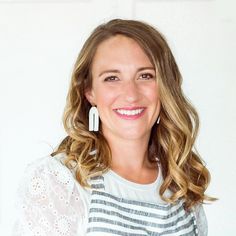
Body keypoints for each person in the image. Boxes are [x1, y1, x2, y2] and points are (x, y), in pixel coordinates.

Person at [13, 19, 215, 236]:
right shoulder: (59, 184)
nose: (131, 94)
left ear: (165, 87)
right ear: (89, 91)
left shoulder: (180, 183)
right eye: (112, 78)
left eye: (145, 75)